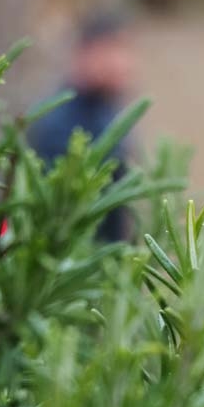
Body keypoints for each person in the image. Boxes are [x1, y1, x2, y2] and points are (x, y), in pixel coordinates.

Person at [28, 12, 137, 241]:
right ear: (85, 53)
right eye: (111, 50)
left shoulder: (108, 111)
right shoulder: (58, 119)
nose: (121, 62)